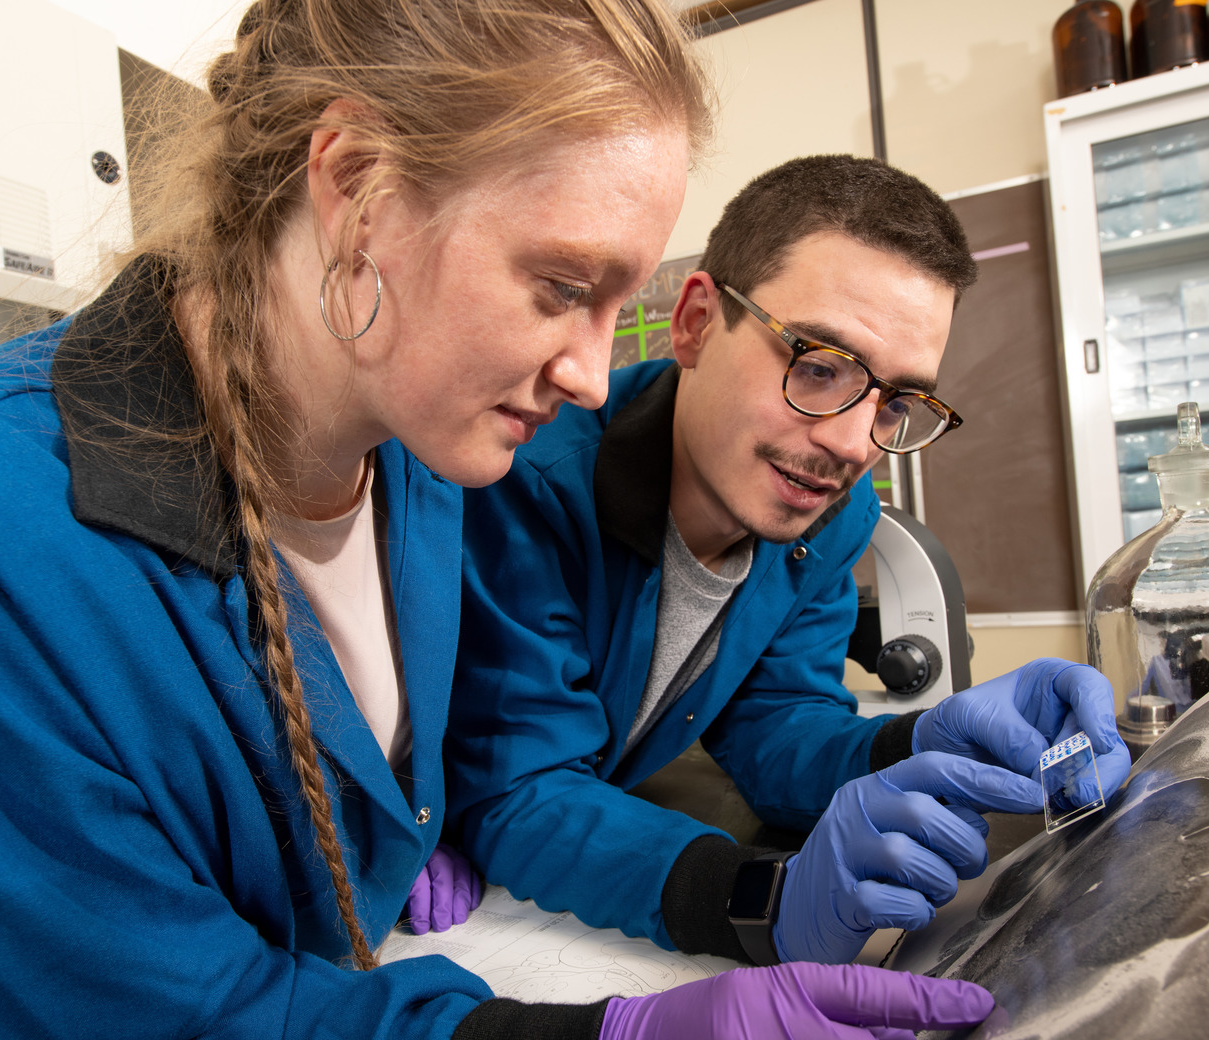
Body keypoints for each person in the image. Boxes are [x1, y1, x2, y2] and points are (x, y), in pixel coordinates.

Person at [0, 3, 999, 1039]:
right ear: (354, 184)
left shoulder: (428, 469)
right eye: (559, 287)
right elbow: (167, 1003)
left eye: (616, 304)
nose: (596, 375)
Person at [446, 155, 1133, 968]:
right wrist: (754, 898)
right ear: (698, 323)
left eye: (897, 403)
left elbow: (776, 726)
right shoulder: (533, 479)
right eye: (817, 366)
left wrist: (918, 744)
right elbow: (521, 787)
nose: (850, 445)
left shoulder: (835, 519)